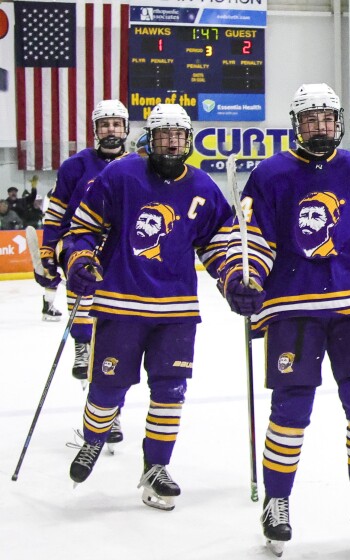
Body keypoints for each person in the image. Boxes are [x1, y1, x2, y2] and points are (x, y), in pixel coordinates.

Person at [221, 83, 350, 558]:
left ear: (339, 121)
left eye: (327, 118)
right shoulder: (270, 175)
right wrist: (241, 278)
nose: (320, 127)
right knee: (290, 412)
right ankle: (277, 502)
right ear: (296, 124)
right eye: (310, 119)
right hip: (293, 311)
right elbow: (252, 243)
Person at [62, 103, 232, 511]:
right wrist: (80, 259)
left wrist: (232, 277)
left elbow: (217, 244)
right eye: (163, 136)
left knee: (170, 392)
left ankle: (156, 466)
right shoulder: (120, 175)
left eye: (178, 136)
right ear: (149, 138)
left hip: (176, 310)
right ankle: (93, 437)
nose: (171, 143)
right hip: (121, 303)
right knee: (108, 389)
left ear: (188, 140)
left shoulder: (204, 187)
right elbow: (83, 229)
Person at [36, 100, 129, 372]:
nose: (110, 129)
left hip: (119, 243)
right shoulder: (74, 166)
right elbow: (56, 212)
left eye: (115, 123)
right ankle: (82, 343)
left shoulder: (139, 165)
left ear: (125, 128)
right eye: (104, 124)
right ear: (95, 130)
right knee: (80, 281)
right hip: (79, 237)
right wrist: (48, 250)